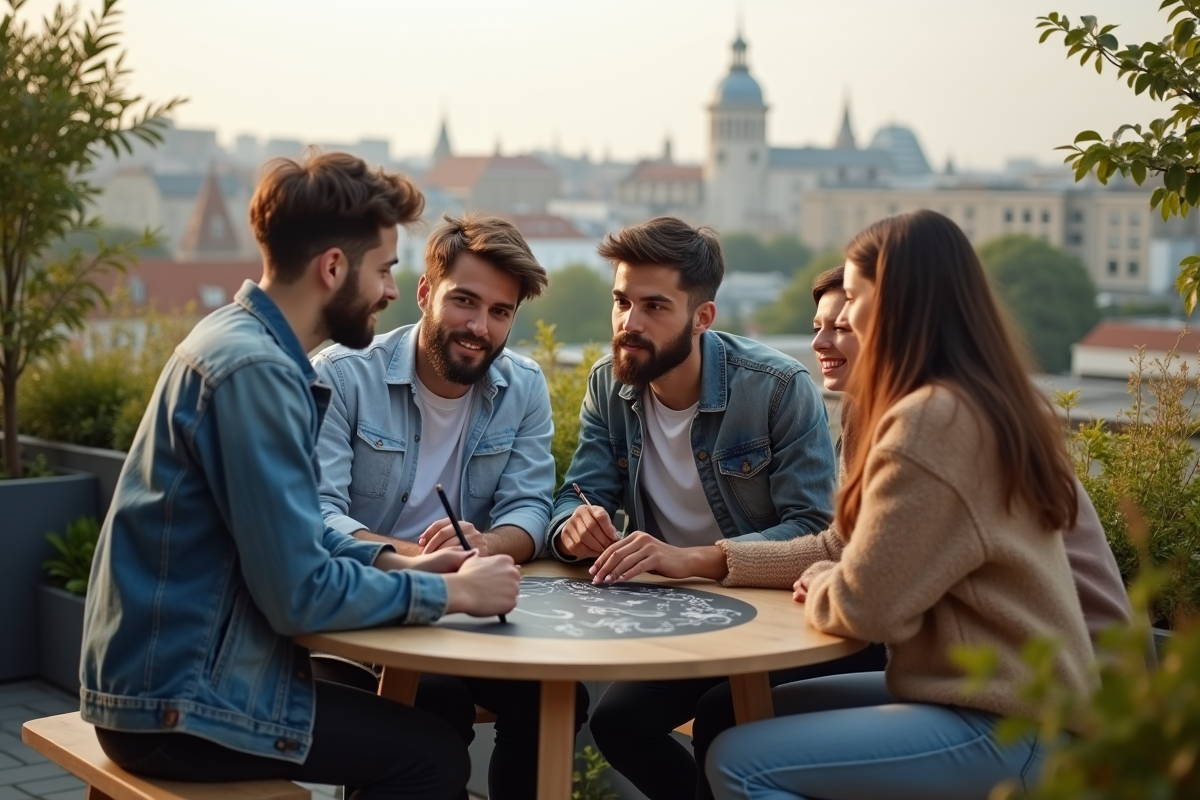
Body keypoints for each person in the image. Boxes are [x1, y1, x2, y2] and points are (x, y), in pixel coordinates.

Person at [80, 152, 520, 800]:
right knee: (432, 756)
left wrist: (407, 570)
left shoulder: (238, 340)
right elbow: (300, 597)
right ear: (334, 268)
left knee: (424, 730)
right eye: (385, 269)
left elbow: (299, 536)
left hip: (169, 678)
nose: (393, 292)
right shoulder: (256, 373)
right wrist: (457, 597)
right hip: (179, 704)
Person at [692, 264, 1131, 800]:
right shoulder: (881, 411)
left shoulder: (938, 422)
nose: (822, 341)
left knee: (741, 762)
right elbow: (850, 547)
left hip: (1049, 702)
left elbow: (868, 597)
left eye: (846, 319)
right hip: (974, 677)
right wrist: (705, 560)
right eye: (820, 324)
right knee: (726, 713)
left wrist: (831, 580)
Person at [546, 216, 842, 800]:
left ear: (702, 318)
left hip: (776, 619)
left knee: (719, 718)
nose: (630, 324)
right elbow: (576, 495)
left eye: (655, 306)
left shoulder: (778, 387)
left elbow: (815, 529)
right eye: (621, 302)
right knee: (618, 723)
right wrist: (571, 528)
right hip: (684, 620)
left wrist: (694, 559)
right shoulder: (610, 384)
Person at [311, 212, 587, 800]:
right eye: (465, 301)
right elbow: (318, 517)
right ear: (423, 293)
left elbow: (531, 510)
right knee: (436, 704)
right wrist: (422, 561)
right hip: (365, 610)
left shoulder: (525, 385)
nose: (479, 326)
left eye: (500, 312)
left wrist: (485, 545)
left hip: (467, 613)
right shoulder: (340, 376)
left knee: (555, 698)